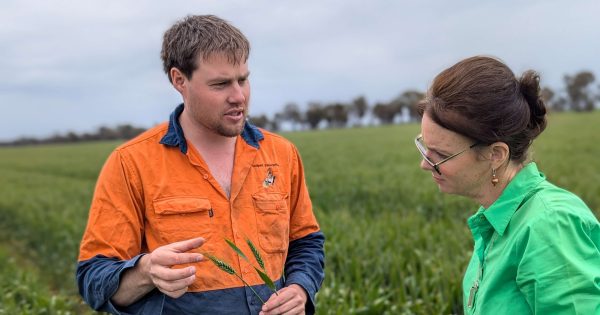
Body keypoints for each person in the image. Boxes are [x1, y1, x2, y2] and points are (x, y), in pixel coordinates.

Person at [76, 15, 325, 315]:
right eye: (220, 84)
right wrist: (146, 272)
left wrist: (300, 288)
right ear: (179, 80)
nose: (239, 97)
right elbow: (93, 278)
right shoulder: (131, 163)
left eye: (243, 79)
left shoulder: (281, 154)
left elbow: (306, 241)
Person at [415, 56, 600, 314]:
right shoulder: (495, 219)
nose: (425, 164)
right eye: (424, 147)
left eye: (441, 155)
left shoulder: (548, 224)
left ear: (496, 155)